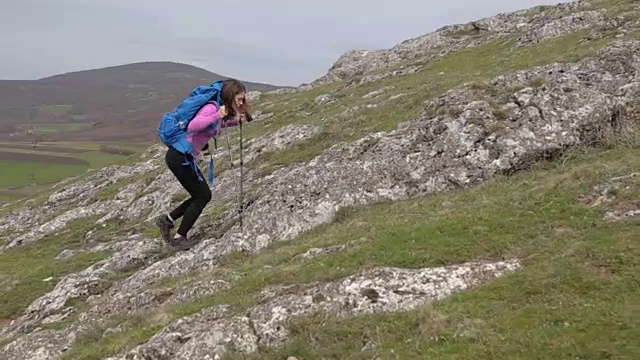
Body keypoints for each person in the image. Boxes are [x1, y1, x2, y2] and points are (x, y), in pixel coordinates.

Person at [155, 79, 249, 250]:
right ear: (230, 95)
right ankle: (179, 238)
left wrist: (234, 121)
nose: (242, 102)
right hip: (179, 157)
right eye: (239, 99)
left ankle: (167, 220)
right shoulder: (212, 108)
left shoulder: (219, 109)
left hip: (182, 157)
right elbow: (194, 125)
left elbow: (213, 126)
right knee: (202, 196)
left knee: (199, 195)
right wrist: (218, 115)